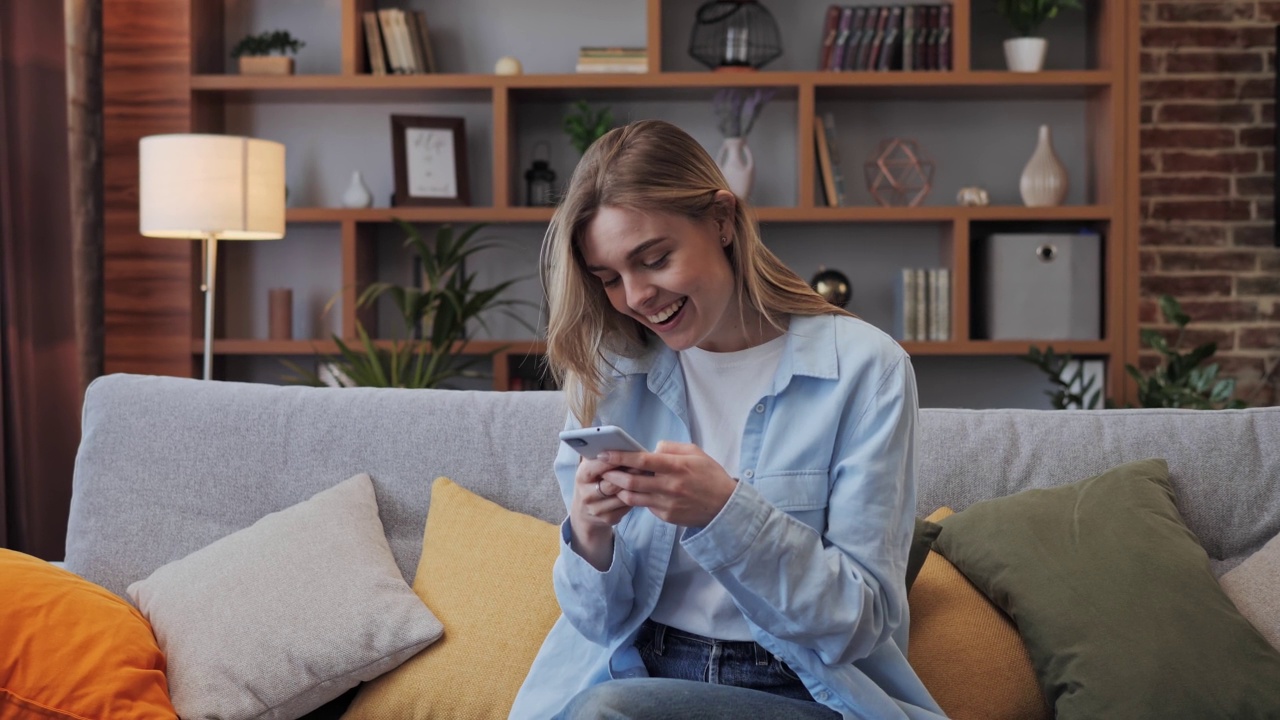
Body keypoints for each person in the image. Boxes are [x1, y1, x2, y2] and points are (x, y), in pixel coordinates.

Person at [510, 119, 946, 720]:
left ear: (721, 220)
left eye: (655, 259)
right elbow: (595, 623)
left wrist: (725, 513)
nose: (636, 296)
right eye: (609, 278)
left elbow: (859, 623)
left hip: (802, 690)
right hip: (637, 672)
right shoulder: (612, 370)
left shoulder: (865, 370)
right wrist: (590, 535)